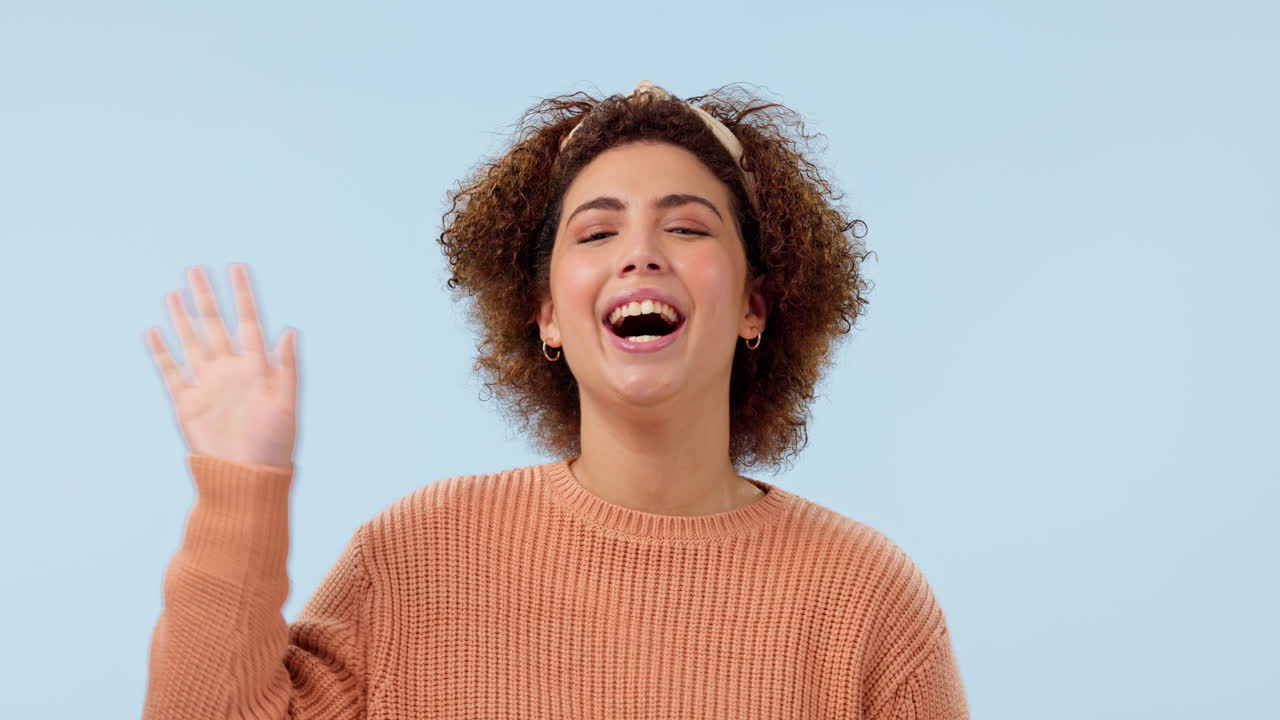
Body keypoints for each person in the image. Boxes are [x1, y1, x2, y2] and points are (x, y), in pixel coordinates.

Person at [141, 80, 970, 719]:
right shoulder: (417, 556)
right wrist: (238, 491)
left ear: (756, 303)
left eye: (686, 227)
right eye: (598, 232)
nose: (640, 253)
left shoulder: (868, 599)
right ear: (546, 314)